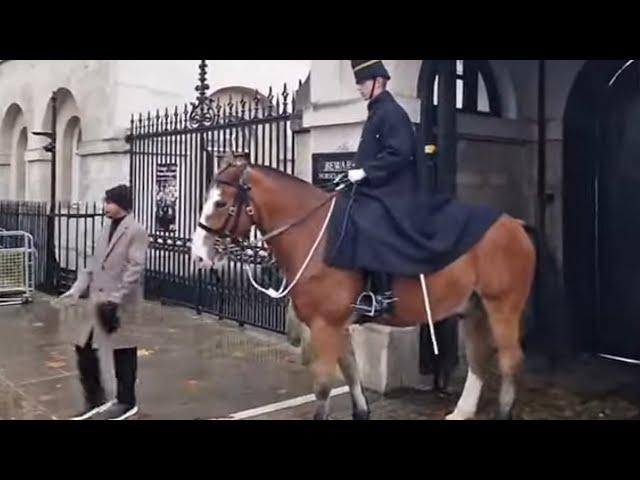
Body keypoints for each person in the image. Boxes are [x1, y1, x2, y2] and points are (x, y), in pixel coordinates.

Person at [325, 60, 501, 319]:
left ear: (378, 82)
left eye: (362, 82)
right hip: (378, 186)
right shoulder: (376, 112)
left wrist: (366, 172)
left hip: (396, 190)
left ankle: (383, 295)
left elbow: (400, 152)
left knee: (371, 221)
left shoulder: (391, 112)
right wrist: (351, 177)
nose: (359, 88)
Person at [57, 184, 149, 420]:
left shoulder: (136, 230)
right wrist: (76, 290)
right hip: (98, 301)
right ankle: (95, 399)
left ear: (122, 204)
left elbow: (135, 269)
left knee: (124, 352)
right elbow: (92, 263)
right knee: (84, 347)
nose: (105, 206)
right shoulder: (106, 227)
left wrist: (116, 299)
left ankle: (127, 402)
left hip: (121, 304)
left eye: (109, 202)